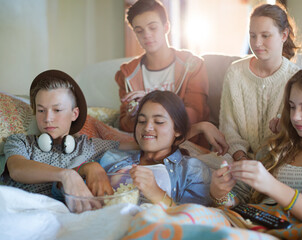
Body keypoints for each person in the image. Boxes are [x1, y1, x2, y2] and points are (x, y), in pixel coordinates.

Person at [1, 70, 225, 199]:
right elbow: (18, 168)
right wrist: (66, 174)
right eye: (41, 111)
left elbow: (146, 140)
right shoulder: (21, 141)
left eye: (57, 110)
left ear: (74, 113)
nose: (48, 118)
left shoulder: (89, 146)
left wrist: (197, 128)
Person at [210, 66, 302, 225]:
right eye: (292, 106)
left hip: (296, 233)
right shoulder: (276, 147)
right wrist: (221, 194)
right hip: (249, 227)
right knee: (189, 213)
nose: (295, 117)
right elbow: (238, 203)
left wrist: (273, 186)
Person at [83, 90, 212, 206]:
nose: (147, 127)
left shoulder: (192, 170)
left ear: (177, 129)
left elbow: (195, 219)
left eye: (159, 122)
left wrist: (157, 193)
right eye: (142, 121)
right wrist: (89, 168)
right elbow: (69, 176)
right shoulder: (111, 158)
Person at [115, 0, 210, 142]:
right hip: (144, 147)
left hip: (185, 145)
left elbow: (195, 116)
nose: (146, 35)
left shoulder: (192, 65)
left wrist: (149, 102)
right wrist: (133, 114)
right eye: (139, 31)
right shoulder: (127, 73)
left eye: (152, 28)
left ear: (166, 27)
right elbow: (125, 125)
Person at [219, 3, 300, 161]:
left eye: (265, 35)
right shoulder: (235, 72)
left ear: (284, 35)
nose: (256, 43)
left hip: (279, 160)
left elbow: (297, 135)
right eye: (252, 35)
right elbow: (228, 128)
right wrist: (241, 157)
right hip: (237, 158)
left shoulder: (297, 77)